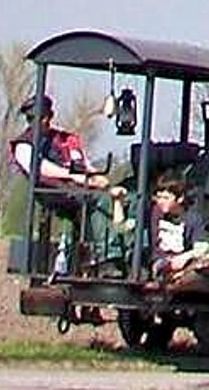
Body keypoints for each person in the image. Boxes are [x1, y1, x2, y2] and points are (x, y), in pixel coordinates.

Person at [9, 93, 129, 270]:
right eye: (33, 118)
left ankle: (127, 251)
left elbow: (81, 163)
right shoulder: (24, 145)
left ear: (50, 116)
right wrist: (73, 177)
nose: (40, 121)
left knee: (126, 199)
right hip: (51, 191)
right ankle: (107, 257)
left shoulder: (64, 140)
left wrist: (96, 176)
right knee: (98, 199)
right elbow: (40, 168)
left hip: (77, 187)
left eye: (44, 117)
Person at [149, 176, 209, 282]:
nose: (161, 201)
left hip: (185, 264)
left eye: (166, 198)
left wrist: (185, 257)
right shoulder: (153, 213)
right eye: (159, 197)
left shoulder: (192, 218)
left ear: (180, 198)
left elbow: (202, 246)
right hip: (161, 262)